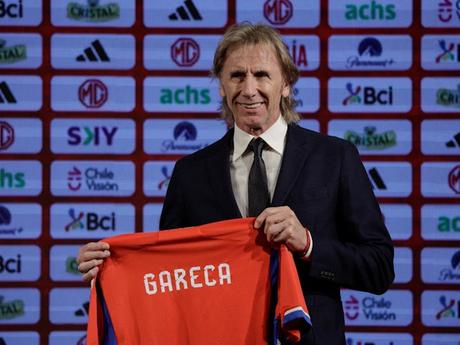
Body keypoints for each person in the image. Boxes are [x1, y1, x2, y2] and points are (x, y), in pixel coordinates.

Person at [77, 22, 394, 345]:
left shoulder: (335, 157)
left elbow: (380, 268)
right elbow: (170, 278)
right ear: (221, 87)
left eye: (262, 75)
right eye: (237, 76)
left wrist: (308, 244)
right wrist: (112, 270)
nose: (249, 89)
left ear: (286, 83)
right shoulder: (191, 173)